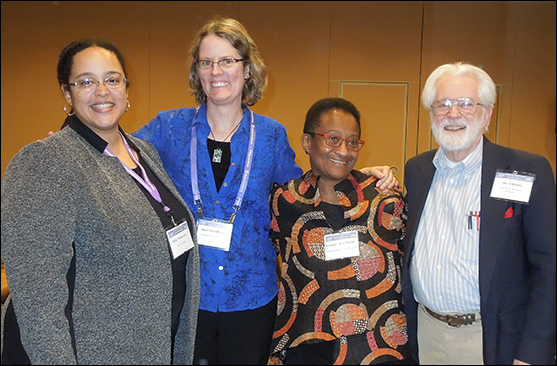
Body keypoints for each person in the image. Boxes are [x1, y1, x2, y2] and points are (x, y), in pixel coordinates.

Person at [133, 16, 397, 365]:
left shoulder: (271, 135)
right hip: (186, 294)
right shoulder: (169, 127)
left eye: (227, 61)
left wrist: (364, 176)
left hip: (252, 297)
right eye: (207, 62)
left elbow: (304, 191)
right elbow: (120, 159)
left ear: (247, 69)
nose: (216, 71)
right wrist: (77, 146)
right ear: (197, 71)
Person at [0, 38, 200, 365]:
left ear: (126, 87)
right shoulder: (45, 162)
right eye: (86, 82)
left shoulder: (144, 152)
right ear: (67, 93)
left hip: (148, 346)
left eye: (111, 79)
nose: (102, 91)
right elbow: (38, 305)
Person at [401, 62, 556, 365]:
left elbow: (549, 268)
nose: (453, 114)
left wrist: (532, 353)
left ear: (487, 114)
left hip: (494, 340)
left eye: (466, 104)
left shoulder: (526, 170)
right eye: (442, 104)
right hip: (426, 334)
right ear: (431, 113)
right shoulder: (416, 170)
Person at [268, 97, 414, 365]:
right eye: (333, 139)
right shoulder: (284, 201)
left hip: (379, 345)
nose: (345, 151)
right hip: (309, 344)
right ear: (307, 142)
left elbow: (411, 259)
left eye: (353, 142)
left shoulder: (384, 200)